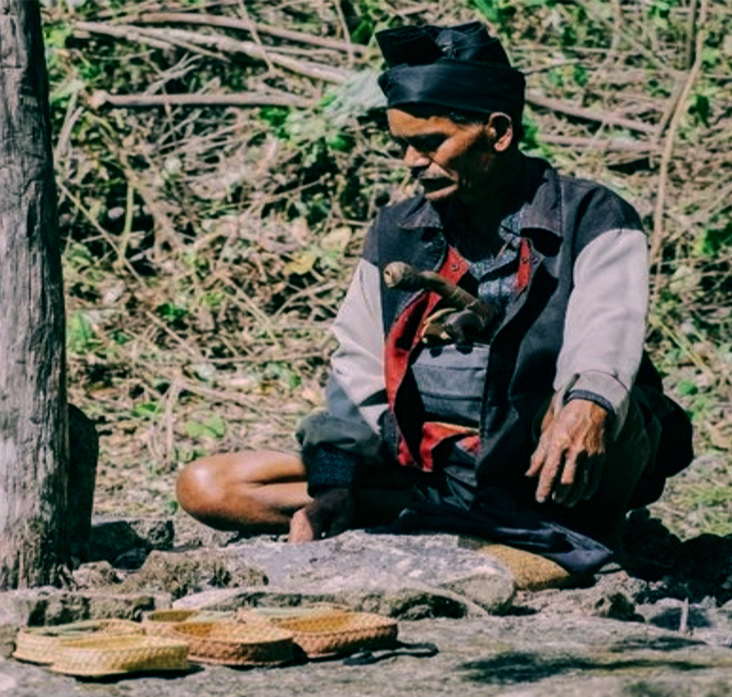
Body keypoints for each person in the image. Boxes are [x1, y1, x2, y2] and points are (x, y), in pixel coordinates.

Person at [175, 22, 692, 571]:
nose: (412, 162)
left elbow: (606, 336)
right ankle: (452, 517)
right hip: (429, 471)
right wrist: (335, 484)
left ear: (497, 132)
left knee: (596, 402)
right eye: (402, 146)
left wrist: (588, 404)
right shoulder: (398, 231)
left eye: (430, 143)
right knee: (208, 485)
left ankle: (568, 535)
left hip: (543, 465)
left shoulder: (592, 216)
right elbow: (356, 370)